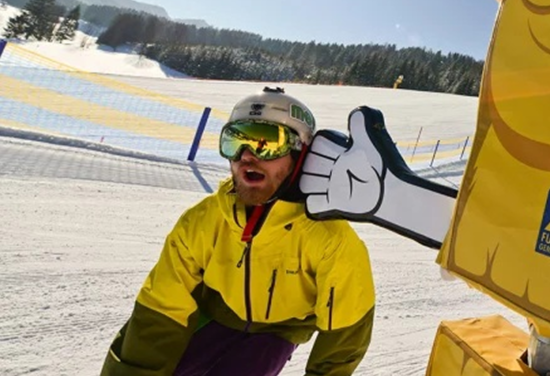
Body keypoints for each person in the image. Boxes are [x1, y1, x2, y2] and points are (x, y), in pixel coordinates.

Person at [102, 87, 375, 376]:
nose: (247, 156)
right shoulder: (203, 221)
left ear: (300, 153)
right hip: (213, 313)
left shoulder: (331, 240)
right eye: (235, 141)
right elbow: (162, 307)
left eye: (266, 143)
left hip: (278, 330)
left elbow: (346, 332)